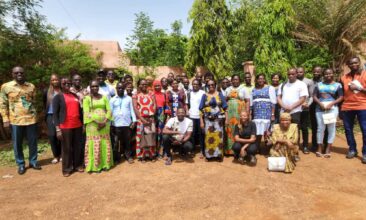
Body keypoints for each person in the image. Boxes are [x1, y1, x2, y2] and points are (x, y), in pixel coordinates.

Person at [0, 66, 41, 175]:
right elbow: (3, 104)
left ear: (24, 74)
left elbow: (34, 101)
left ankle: (33, 162)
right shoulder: (6, 87)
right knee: (17, 144)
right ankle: (21, 164)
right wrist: (5, 119)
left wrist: (36, 116)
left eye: (21, 73)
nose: (19, 74)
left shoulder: (31, 86)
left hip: (31, 119)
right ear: (12, 74)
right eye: (16, 73)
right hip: (15, 121)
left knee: (33, 142)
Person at [53, 78, 83, 177]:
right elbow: (55, 115)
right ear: (61, 85)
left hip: (77, 125)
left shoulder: (75, 96)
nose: (67, 84)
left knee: (77, 146)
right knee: (67, 148)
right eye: (64, 83)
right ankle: (67, 168)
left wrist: (83, 124)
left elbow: (80, 111)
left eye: (68, 83)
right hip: (65, 126)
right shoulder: (58, 97)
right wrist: (57, 129)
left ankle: (78, 165)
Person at [83, 80, 114, 172]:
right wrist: (97, 122)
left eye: (96, 86)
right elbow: (86, 112)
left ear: (98, 87)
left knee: (104, 143)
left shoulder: (104, 97)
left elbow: (109, 110)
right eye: (92, 86)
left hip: (105, 126)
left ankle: (105, 164)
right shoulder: (87, 99)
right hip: (93, 126)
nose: (94, 88)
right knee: (95, 144)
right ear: (90, 87)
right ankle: (95, 166)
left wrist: (104, 122)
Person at [340, 57, 366, 163]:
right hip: (347, 107)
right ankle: (352, 149)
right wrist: (339, 108)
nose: (354, 64)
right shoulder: (343, 78)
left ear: (359, 63)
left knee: (365, 130)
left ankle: (365, 153)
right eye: (351, 63)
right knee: (348, 129)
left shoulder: (364, 74)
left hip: (363, 106)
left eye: (356, 62)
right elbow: (341, 94)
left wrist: (359, 88)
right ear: (348, 65)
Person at [313, 68, 343, 158]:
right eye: (326, 74)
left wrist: (332, 103)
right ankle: (319, 147)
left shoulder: (338, 85)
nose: (328, 75)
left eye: (330, 73)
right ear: (323, 75)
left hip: (331, 109)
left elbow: (341, 97)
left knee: (331, 128)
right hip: (320, 109)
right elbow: (314, 96)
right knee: (320, 128)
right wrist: (320, 103)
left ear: (333, 74)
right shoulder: (319, 85)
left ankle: (328, 148)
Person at [200, 79, 228, 161]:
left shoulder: (219, 94)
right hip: (208, 120)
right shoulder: (204, 95)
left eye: (212, 84)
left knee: (218, 137)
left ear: (215, 85)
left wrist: (226, 119)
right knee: (209, 137)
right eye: (209, 85)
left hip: (218, 120)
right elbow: (201, 109)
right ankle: (209, 156)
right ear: (207, 86)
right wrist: (201, 121)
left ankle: (219, 155)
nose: (211, 86)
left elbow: (225, 107)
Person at [110, 82, 137, 164]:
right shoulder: (112, 99)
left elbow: (132, 110)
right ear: (116, 89)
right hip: (116, 124)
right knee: (116, 143)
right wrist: (110, 124)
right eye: (119, 88)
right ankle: (117, 158)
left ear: (124, 89)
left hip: (127, 123)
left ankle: (128, 156)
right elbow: (110, 112)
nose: (120, 89)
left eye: (122, 88)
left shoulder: (129, 98)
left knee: (127, 141)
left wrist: (134, 120)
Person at [250, 74, 277, 154]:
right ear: (257, 80)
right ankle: (257, 148)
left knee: (266, 132)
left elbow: (273, 102)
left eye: (262, 78)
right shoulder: (254, 89)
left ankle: (267, 150)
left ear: (264, 79)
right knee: (257, 132)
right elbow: (251, 103)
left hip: (266, 113)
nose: (261, 80)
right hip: (256, 114)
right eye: (259, 79)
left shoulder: (270, 88)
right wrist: (251, 114)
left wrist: (272, 114)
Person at [132, 79, 157, 163]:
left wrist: (151, 115)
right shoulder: (135, 95)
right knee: (141, 138)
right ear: (139, 85)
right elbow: (135, 108)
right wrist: (142, 119)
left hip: (150, 119)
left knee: (151, 137)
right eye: (142, 84)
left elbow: (154, 105)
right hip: (141, 120)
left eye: (145, 84)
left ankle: (151, 154)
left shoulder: (151, 94)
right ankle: (142, 156)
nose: (144, 86)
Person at [225, 74, 250, 155]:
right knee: (230, 129)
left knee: (239, 129)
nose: (235, 81)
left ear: (240, 80)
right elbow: (224, 100)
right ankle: (230, 150)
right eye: (234, 79)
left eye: (237, 79)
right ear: (231, 81)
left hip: (240, 113)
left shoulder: (244, 89)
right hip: (230, 113)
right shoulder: (228, 89)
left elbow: (247, 101)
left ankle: (240, 150)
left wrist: (247, 112)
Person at [43, 74, 61, 164]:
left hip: (60, 116)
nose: (55, 81)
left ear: (59, 80)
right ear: (51, 81)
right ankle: (56, 156)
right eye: (53, 80)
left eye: (56, 79)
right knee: (52, 136)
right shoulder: (46, 91)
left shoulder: (62, 90)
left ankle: (61, 155)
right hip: (50, 115)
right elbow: (44, 104)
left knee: (61, 136)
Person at [297, 67, 315, 154]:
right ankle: (296, 145)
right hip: (295, 109)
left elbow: (311, 96)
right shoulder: (292, 82)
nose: (299, 73)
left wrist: (308, 104)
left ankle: (305, 146)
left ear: (304, 72)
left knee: (304, 128)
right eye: (298, 72)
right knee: (295, 127)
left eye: (301, 72)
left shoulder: (308, 82)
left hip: (305, 108)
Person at [187, 79, 205, 157]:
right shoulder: (189, 93)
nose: (195, 85)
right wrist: (187, 111)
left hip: (200, 116)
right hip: (191, 116)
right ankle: (192, 150)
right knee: (192, 134)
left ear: (199, 85)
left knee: (201, 133)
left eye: (196, 84)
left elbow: (204, 105)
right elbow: (187, 104)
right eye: (193, 84)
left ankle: (202, 150)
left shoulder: (203, 93)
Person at [310, 66, 326, 151]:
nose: (316, 73)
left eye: (318, 72)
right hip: (313, 105)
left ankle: (325, 144)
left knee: (325, 125)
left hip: (325, 105)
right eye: (315, 71)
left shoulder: (325, 81)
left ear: (321, 72)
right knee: (314, 126)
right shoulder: (310, 82)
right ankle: (314, 145)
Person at [153, 80, 168, 158]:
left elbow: (166, 106)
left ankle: (161, 151)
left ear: (161, 86)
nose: (157, 87)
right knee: (154, 133)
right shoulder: (151, 95)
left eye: (158, 85)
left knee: (161, 133)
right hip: (153, 115)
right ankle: (154, 152)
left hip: (162, 115)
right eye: (155, 85)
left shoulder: (164, 95)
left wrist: (167, 117)